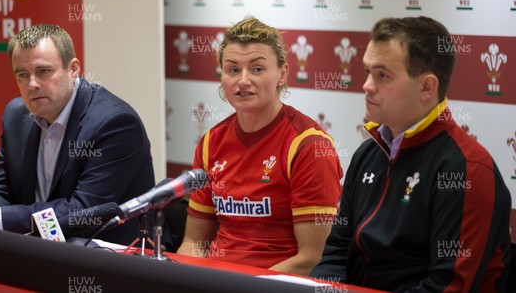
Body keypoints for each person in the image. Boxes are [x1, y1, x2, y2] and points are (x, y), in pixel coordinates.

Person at [311, 16, 512, 291]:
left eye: (382, 75)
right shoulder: (368, 152)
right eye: (368, 72)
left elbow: (446, 287)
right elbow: (336, 253)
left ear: (427, 87)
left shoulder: (466, 169)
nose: (367, 85)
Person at [0, 24, 156, 245]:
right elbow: (2, 187)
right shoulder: (16, 115)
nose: (32, 84)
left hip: (112, 260)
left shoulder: (114, 123)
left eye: (43, 71)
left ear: (74, 69)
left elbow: (82, 213)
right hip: (39, 250)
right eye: (22, 74)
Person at [176, 16, 343, 276]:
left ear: (283, 74)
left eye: (257, 69)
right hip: (214, 281)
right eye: (233, 70)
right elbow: (194, 243)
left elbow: (312, 258)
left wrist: (243, 286)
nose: (243, 80)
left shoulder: (308, 145)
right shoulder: (211, 142)